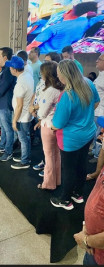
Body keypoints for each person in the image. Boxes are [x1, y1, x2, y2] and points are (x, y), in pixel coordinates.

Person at [49, 60, 100, 210]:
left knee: (69, 169)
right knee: (81, 164)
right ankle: (78, 194)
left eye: (59, 75)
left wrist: (51, 126)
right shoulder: (88, 83)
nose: (58, 78)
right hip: (88, 133)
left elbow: (57, 124)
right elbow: (96, 102)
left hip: (70, 139)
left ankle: (65, 200)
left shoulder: (67, 95)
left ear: (65, 75)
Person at [34, 62, 64, 189]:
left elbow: (42, 112)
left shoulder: (50, 90)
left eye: (42, 73)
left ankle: (48, 184)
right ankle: (56, 180)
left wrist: (36, 111)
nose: (41, 75)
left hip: (48, 125)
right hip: (57, 125)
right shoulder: (61, 88)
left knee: (48, 156)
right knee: (56, 154)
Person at [4, 56, 34, 169]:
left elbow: (20, 105)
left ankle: (24, 161)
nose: (9, 69)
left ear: (15, 69)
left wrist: (14, 121)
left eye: (10, 67)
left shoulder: (21, 83)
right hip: (27, 115)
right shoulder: (27, 76)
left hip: (22, 116)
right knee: (26, 137)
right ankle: (26, 156)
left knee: (23, 139)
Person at [0, 47, 18, 160]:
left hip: (4, 103)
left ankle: (8, 151)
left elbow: (3, 87)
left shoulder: (8, 70)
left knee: (7, 129)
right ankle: (2, 146)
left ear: (5, 58)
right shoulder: (3, 69)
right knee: (3, 127)